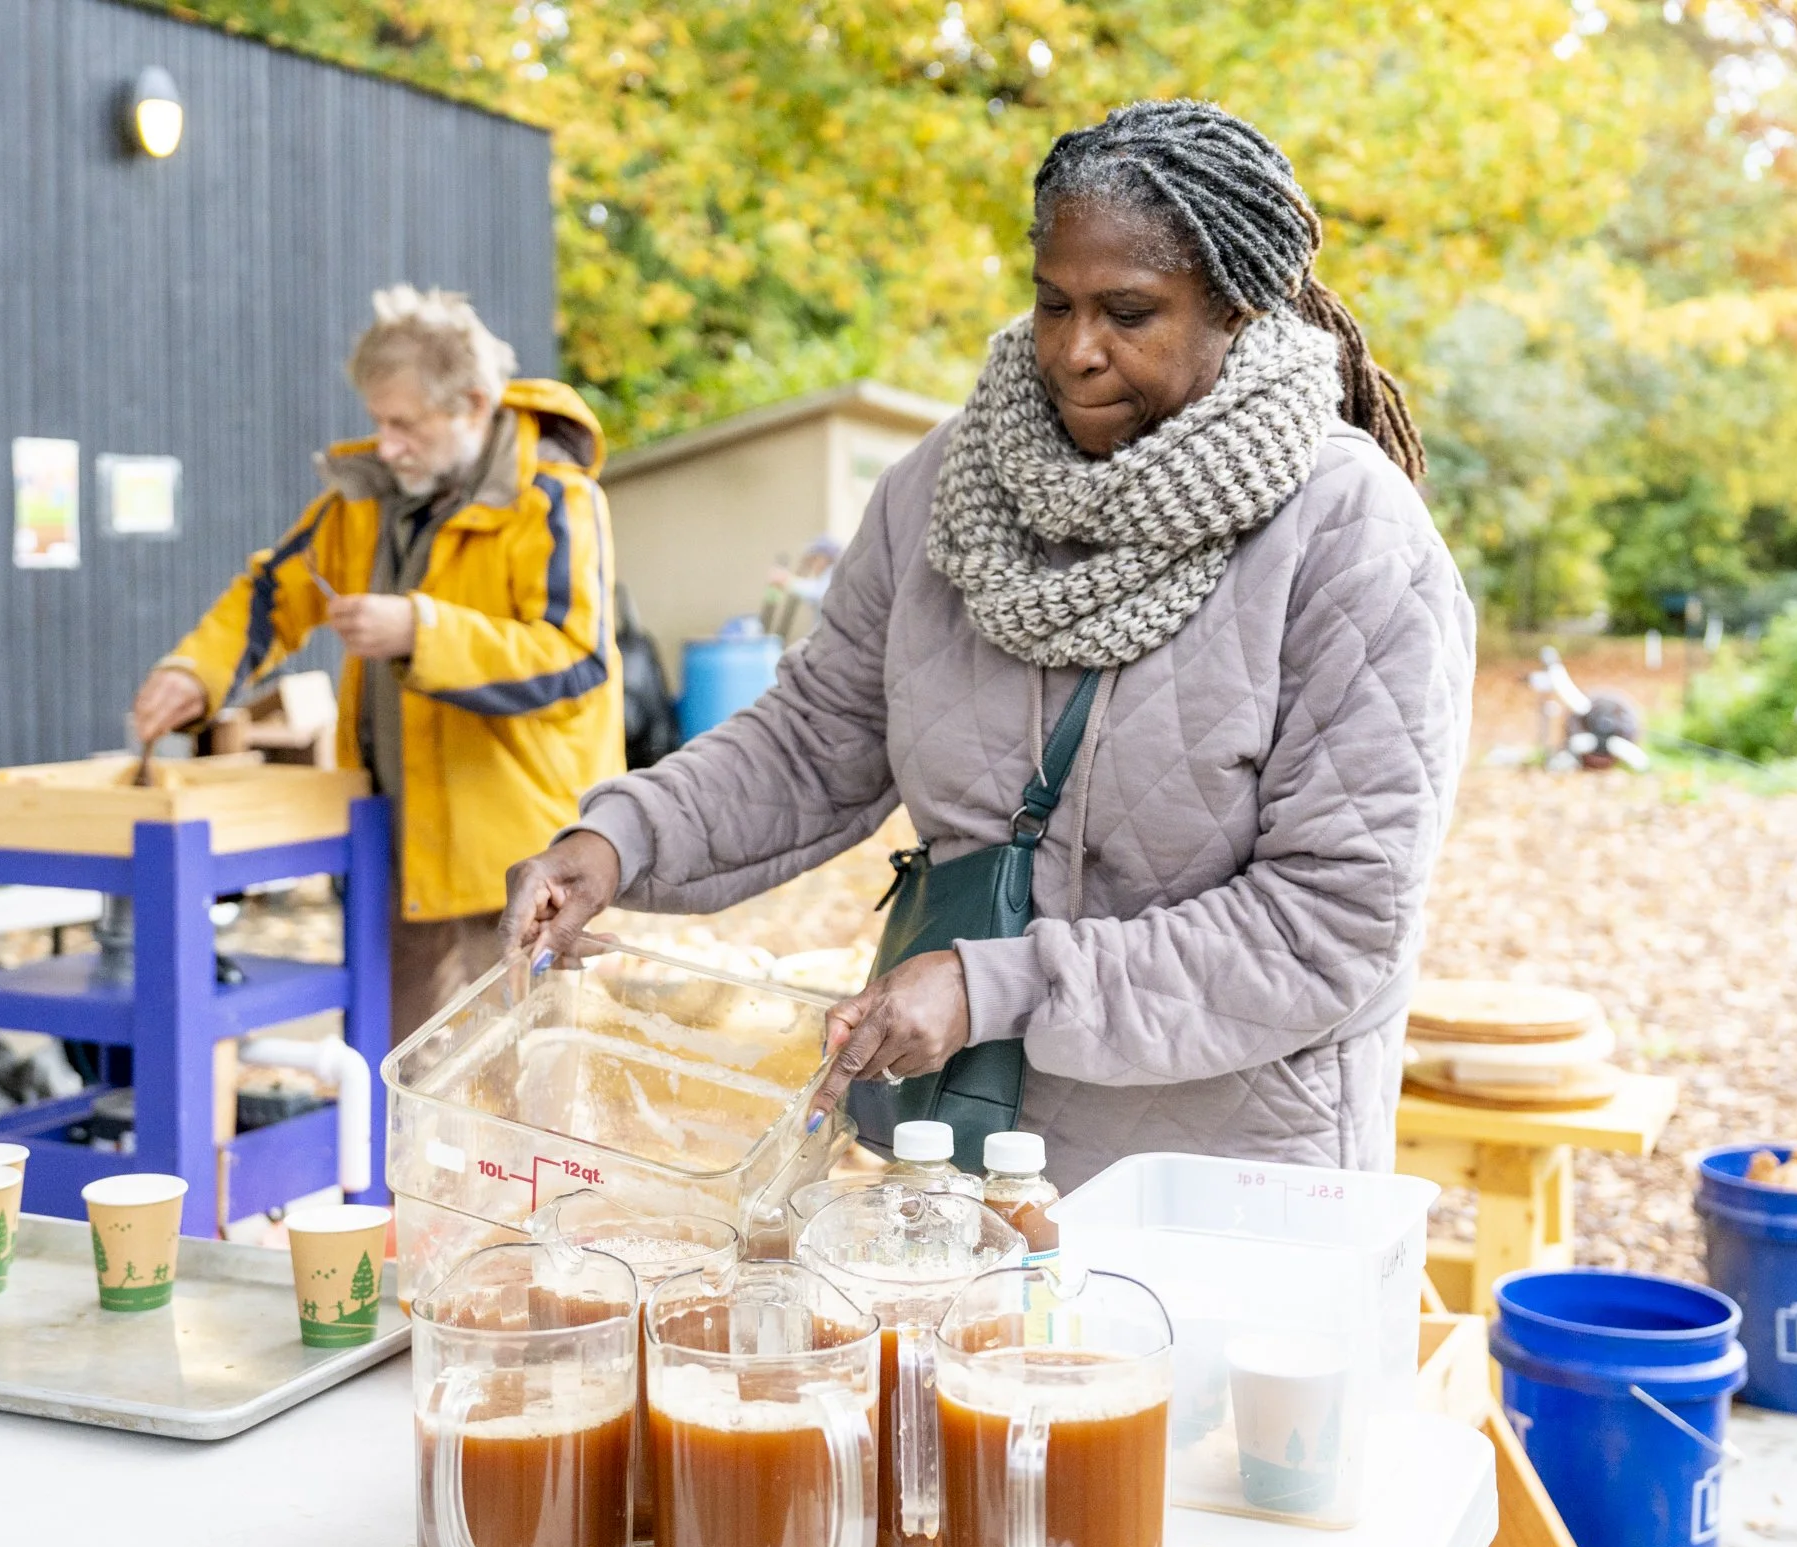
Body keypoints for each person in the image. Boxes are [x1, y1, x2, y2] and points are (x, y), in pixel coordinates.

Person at [501, 102, 1475, 1187]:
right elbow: (817, 734)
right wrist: (619, 839)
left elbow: (1325, 925)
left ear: (1237, 306)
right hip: (950, 1157)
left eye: (1130, 312)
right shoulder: (943, 487)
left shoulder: (1350, 537)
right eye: (1052, 302)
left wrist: (990, 985)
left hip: (1224, 1184)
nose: (1075, 350)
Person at [135, 285, 624, 1041]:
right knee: (403, 1085)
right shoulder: (360, 502)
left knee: (529, 1095)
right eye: (377, 422)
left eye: (403, 424)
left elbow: (575, 659)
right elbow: (272, 594)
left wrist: (420, 630)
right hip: (391, 850)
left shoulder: (555, 501)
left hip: (522, 865)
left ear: (471, 403)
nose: (386, 445)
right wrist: (191, 672)